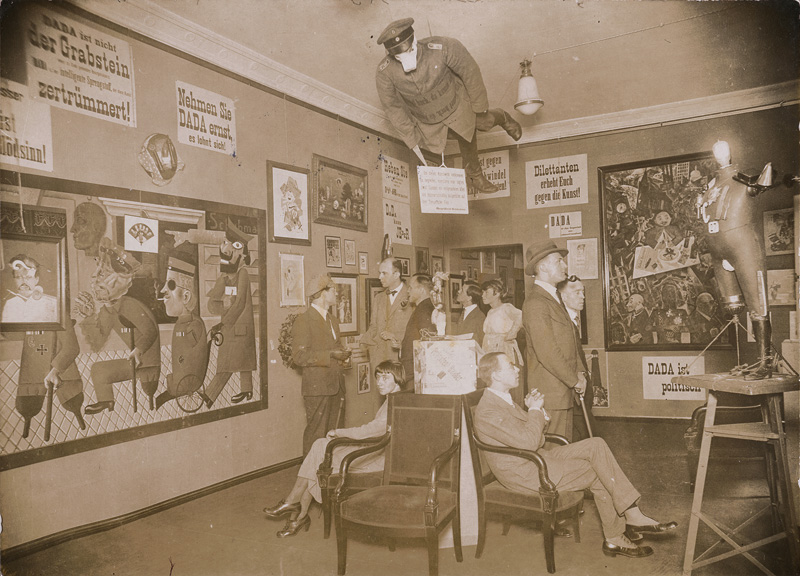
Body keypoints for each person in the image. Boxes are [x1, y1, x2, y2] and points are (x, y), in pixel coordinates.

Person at [474, 352, 677, 559]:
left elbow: (536, 439)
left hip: (536, 459)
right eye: (510, 366)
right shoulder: (488, 410)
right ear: (497, 375)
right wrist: (534, 410)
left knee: (596, 445)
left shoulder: (503, 400)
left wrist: (539, 413)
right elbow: (529, 442)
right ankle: (617, 535)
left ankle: (631, 515)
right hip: (525, 473)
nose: (517, 368)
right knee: (597, 472)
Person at [263, 360, 410, 537]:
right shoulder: (393, 399)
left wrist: (338, 433)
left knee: (318, 453)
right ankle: (296, 512)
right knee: (318, 450)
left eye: (386, 377)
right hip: (377, 450)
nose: (379, 382)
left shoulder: (395, 402)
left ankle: (296, 508)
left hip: (379, 459)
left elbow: (371, 431)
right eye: (377, 377)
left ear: (398, 378)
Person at [375, 18, 522, 195]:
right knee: (459, 138)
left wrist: (480, 107)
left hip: (457, 105)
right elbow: (393, 107)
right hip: (430, 122)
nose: (406, 60)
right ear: (391, 54)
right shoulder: (384, 73)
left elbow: (470, 72)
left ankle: (501, 118)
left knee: (483, 124)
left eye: (409, 51)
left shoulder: (443, 47)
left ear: (414, 40)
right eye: (398, 56)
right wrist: (411, 139)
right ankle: (475, 174)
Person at [75, 239, 161, 415]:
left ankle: (106, 401)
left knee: (99, 370)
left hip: (146, 363)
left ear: (117, 282)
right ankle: (106, 401)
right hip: (137, 360)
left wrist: (138, 350)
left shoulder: (129, 305)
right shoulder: (110, 309)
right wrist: (89, 316)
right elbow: (97, 342)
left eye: (102, 276)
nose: (95, 280)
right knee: (98, 369)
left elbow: (150, 331)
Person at [522, 240, 585, 440]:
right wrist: (574, 379)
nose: (565, 266)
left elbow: (570, 341)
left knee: (564, 447)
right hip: (551, 393)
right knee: (553, 450)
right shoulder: (536, 302)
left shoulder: (553, 297)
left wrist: (580, 371)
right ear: (543, 267)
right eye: (559, 261)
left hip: (561, 389)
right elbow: (547, 351)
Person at [292, 273, 352, 455]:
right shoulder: (304, 320)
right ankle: (311, 479)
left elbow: (336, 347)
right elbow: (299, 356)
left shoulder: (333, 320)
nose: (337, 293)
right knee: (316, 437)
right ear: (323, 293)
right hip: (317, 389)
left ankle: (331, 476)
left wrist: (343, 356)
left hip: (336, 386)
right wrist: (331, 355)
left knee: (335, 436)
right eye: (333, 289)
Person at [202, 220, 257, 407]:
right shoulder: (224, 278)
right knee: (236, 361)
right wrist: (222, 307)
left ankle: (210, 396)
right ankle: (246, 390)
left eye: (226, 243)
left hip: (238, 327)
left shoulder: (243, 274)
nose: (223, 246)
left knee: (230, 363)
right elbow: (211, 304)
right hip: (231, 328)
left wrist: (224, 322)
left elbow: (241, 303)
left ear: (237, 250)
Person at [155, 257, 210, 410]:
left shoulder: (193, 324)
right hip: (181, 378)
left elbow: (192, 351)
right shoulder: (183, 322)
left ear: (186, 297)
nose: (163, 291)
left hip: (186, 380)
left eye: (170, 285)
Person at [557, 275, 597, 441]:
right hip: (571, 384)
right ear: (563, 296)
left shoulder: (572, 318)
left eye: (583, 292)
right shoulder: (562, 321)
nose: (583, 296)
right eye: (577, 292)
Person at [360, 257, 413, 372]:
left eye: (384, 273)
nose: (380, 277)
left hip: (401, 360)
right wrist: (364, 342)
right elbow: (373, 326)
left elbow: (414, 331)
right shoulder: (378, 298)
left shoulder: (411, 297)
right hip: (379, 360)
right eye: (379, 273)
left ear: (396, 274)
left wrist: (395, 337)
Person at [481, 278, 524, 404]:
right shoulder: (490, 311)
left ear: (497, 293)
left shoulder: (506, 307)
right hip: (492, 350)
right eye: (482, 292)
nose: (483, 295)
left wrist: (512, 333)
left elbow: (521, 316)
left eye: (486, 292)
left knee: (508, 385)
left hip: (504, 351)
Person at [400, 273, 436, 383]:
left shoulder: (424, 310)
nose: (407, 291)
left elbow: (428, 343)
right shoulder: (423, 307)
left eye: (410, 288)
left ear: (421, 290)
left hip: (416, 371)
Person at [2, 254, 58, 323]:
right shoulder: (9, 304)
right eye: (18, 277)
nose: (24, 281)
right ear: (14, 280)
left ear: (36, 279)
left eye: (28, 277)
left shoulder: (52, 304)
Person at [451, 280, 485, 345]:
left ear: (469, 298)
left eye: (462, 290)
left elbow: (479, 342)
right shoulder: (464, 312)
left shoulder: (479, 317)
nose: (458, 291)